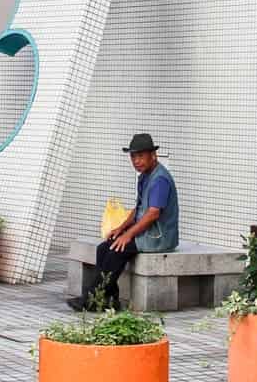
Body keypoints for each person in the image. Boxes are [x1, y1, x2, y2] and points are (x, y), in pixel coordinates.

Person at [69, 133, 179, 311]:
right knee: (104, 247)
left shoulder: (160, 179)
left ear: (153, 156)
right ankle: (110, 299)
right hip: (146, 231)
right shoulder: (144, 176)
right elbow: (139, 209)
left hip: (159, 236)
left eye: (141, 156)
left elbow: (153, 214)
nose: (136, 161)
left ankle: (91, 299)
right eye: (133, 156)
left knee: (117, 250)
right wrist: (120, 229)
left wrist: (128, 235)